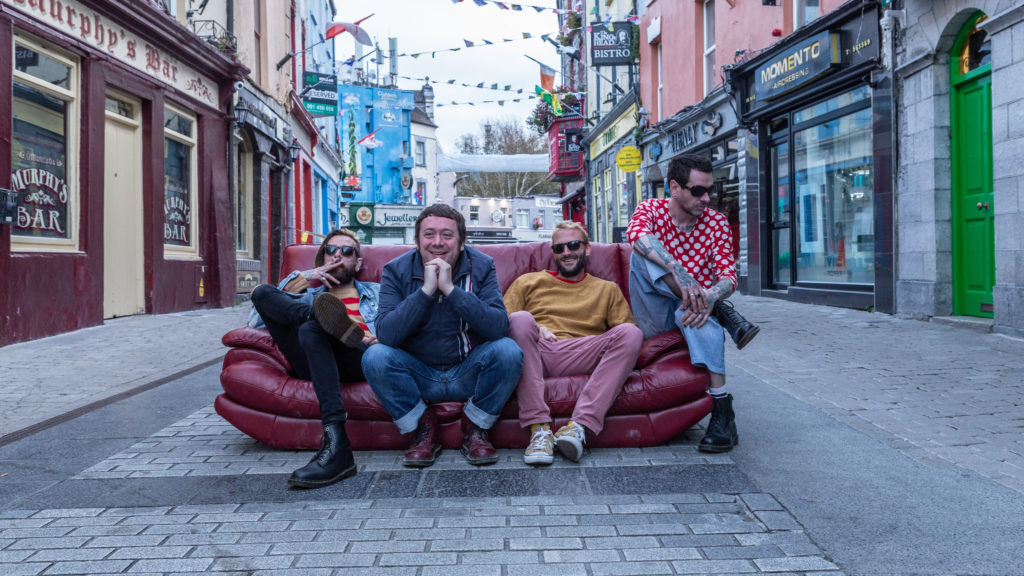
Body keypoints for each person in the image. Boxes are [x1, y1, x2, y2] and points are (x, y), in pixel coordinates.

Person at [361, 204, 523, 468]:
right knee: (375, 356)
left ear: (461, 243)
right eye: (429, 234)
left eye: (447, 235)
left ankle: (475, 426)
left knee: (508, 351)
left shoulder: (482, 265)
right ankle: (423, 428)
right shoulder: (396, 270)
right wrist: (426, 291)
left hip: (468, 371)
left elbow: (497, 327)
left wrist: (450, 290)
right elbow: (387, 334)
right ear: (417, 241)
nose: (437, 242)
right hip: (419, 374)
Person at [626, 154, 750, 453]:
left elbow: (729, 277)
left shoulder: (716, 223)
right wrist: (677, 270)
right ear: (674, 188)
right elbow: (636, 234)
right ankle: (710, 308)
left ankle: (722, 412)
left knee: (699, 312)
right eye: (697, 191)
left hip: (691, 311)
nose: (706, 198)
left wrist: (711, 296)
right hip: (653, 308)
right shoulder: (651, 210)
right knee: (642, 253)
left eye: (709, 190)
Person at [248, 229, 379, 488]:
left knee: (310, 329)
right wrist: (308, 276)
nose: (337, 255)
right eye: (330, 250)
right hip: (315, 359)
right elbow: (255, 320)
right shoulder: (307, 296)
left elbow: (402, 325)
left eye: (347, 251)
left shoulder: (377, 292)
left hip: (360, 357)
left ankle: (336, 445)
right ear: (323, 259)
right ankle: (316, 317)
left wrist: (381, 340)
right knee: (262, 293)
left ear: (358, 262)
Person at [505, 221, 643, 465]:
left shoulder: (607, 289)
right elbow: (499, 321)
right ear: (553, 252)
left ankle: (578, 427)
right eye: (559, 248)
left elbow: (625, 337)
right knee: (519, 319)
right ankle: (539, 430)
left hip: (583, 352)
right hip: (536, 351)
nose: (566, 252)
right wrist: (537, 327)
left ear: (587, 249)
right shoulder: (528, 281)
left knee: (631, 333)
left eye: (573, 245)